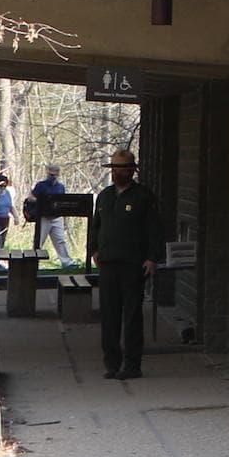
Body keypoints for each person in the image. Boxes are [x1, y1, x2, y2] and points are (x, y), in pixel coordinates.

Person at [88, 148, 163, 381]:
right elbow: (96, 226)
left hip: (133, 264)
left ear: (131, 171)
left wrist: (152, 257)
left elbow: (154, 229)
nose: (117, 173)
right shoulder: (105, 196)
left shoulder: (143, 197)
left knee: (131, 315)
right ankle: (112, 363)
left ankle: (132, 364)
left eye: (122, 169)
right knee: (109, 315)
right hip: (108, 263)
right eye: (114, 169)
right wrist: (94, 250)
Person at [30, 164, 75, 264]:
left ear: (58, 174)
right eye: (50, 174)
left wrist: (64, 218)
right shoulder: (41, 185)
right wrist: (41, 202)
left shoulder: (60, 187)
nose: (52, 177)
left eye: (54, 175)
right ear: (47, 173)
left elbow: (63, 202)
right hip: (44, 217)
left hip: (56, 217)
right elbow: (31, 198)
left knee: (60, 240)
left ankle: (66, 262)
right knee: (39, 241)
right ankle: (33, 261)